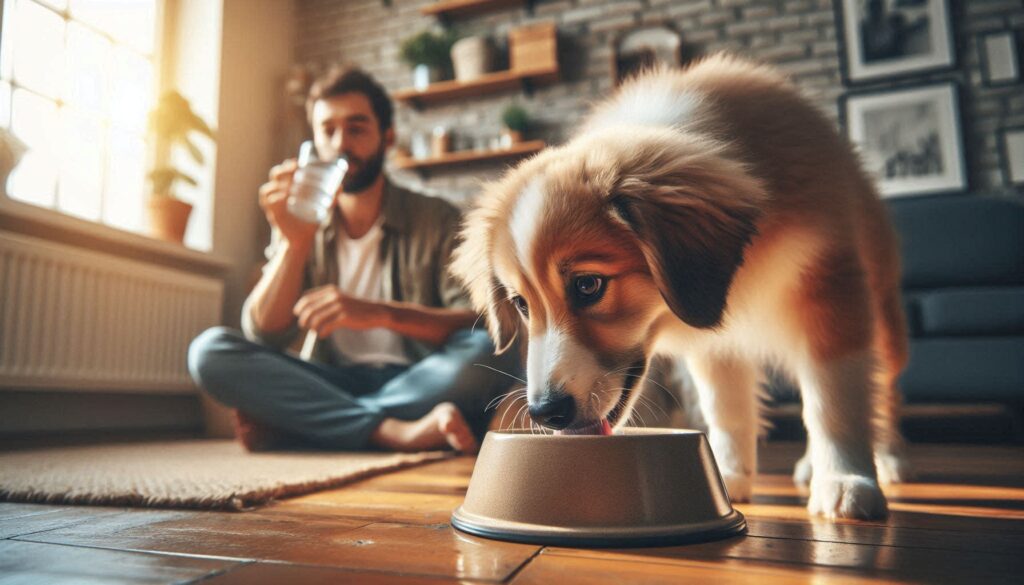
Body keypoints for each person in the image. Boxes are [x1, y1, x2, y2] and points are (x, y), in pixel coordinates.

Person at [187, 66, 519, 454]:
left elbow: (476, 320)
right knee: (209, 352)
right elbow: (265, 333)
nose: (341, 143)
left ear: (387, 137)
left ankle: (312, 425)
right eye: (327, 130)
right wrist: (295, 244)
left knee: (490, 350)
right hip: (333, 380)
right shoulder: (301, 220)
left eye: (356, 128)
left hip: (419, 378)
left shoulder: (437, 219)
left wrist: (379, 313)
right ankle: (392, 431)